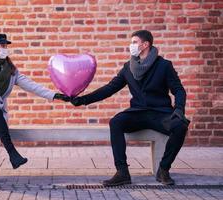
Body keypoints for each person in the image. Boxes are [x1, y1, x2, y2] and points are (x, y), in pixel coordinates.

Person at [71, 30, 190, 186]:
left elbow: (179, 89)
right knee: (116, 122)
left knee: (181, 126)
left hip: (160, 113)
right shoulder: (128, 67)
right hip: (138, 113)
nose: (131, 46)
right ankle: (122, 172)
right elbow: (110, 88)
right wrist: (82, 100)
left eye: (134, 42)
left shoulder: (164, 65)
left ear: (145, 44)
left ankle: (164, 169)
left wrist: (179, 109)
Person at [0, 33, 70, 185]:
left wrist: (55, 95)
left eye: (6, 46)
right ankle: (12, 153)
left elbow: (32, 86)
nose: (5, 49)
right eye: (2, 46)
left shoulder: (11, 71)